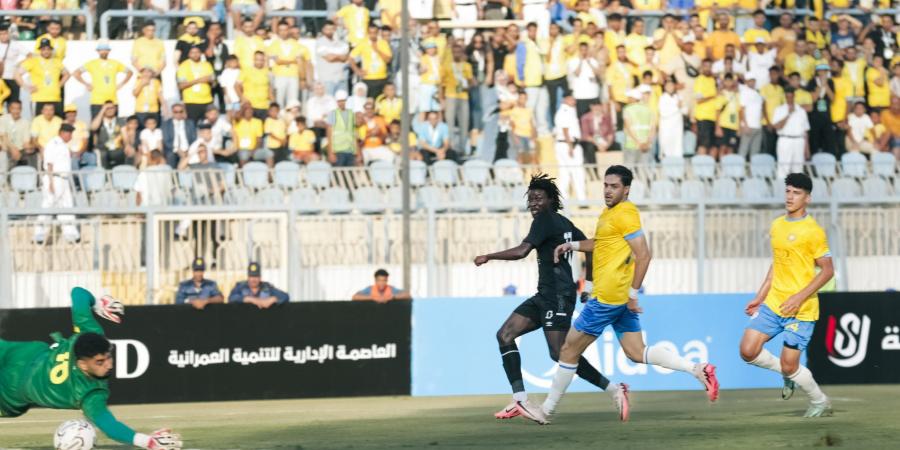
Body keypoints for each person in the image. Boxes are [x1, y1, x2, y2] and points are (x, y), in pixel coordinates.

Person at [525, 165, 720, 425]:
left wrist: (632, 293)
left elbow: (644, 254)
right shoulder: (610, 213)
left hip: (609, 298)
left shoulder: (626, 214)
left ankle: (546, 410)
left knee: (568, 350)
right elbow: (602, 242)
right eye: (605, 185)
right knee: (636, 352)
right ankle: (697, 370)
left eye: (614, 186)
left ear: (626, 189)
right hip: (616, 298)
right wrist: (571, 245)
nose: (607, 190)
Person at [473, 174, 619, 421]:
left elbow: (522, 251)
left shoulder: (545, 220)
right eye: (530, 199)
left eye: (539, 198)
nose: (534, 204)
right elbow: (591, 247)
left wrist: (488, 256)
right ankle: (521, 400)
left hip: (558, 297)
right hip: (545, 295)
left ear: (551, 200)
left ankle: (613, 389)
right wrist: (589, 284)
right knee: (505, 335)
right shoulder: (564, 223)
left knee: (560, 353)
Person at [0, 287, 182, 448]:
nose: (109, 365)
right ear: (82, 364)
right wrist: (147, 441)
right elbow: (110, 427)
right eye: (100, 362)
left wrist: (97, 304)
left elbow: (78, 293)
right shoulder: (89, 390)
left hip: (14, 374)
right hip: (14, 372)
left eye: (108, 356)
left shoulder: (90, 339)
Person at [740, 173, 834, 417]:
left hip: (801, 310)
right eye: (788, 191)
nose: (790, 197)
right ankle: (786, 373)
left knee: (790, 363)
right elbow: (777, 264)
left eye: (797, 193)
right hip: (774, 304)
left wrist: (798, 297)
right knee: (747, 351)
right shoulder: (777, 225)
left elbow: (827, 270)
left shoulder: (813, 231)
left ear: (808, 198)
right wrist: (760, 296)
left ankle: (819, 401)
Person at [33, 123, 79, 244]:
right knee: (48, 205)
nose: (70, 136)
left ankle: (71, 234)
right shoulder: (53, 144)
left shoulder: (64, 145)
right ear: (63, 132)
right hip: (54, 177)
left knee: (67, 206)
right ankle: (39, 234)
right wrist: (51, 182)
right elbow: (49, 163)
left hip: (64, 179)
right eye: (69, 133)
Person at [73, 40, 133, 119]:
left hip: (112, 100)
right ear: (98, 51)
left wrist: (122, 83)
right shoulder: (92, 63)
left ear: (109, 51)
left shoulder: (115, 63)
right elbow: (76, 73)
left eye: (106, 50)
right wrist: (86, 83)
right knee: (96, 126)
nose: (104, 52)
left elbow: (129, 72)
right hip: (97, 101)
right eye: (101, 50)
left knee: (113, 126)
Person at [16, 38, 69, 117]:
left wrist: (60, 85)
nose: (46, 51)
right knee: (37, 124)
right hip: (38, 98)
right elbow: (17, 74)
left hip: (55, 98)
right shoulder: (33, 61)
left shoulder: (56, 61)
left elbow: (67, 74)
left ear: (51, 50)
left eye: (48, 49)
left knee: (56, 125)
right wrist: (25, 86)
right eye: (43, 49)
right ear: (40, 50)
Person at [553, 92, 585, 205]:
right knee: (577, 171)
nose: (574, 101)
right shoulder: (565, 111)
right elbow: (565, 129)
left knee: (565, 173)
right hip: (569, 144)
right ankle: (582, 200)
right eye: (571, 99)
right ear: (565, 99)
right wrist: (570, 146)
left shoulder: (566, 110)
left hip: (563, 144)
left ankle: (562, 200)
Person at [772, 89, 810, 180]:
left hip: (799, 140)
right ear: (785, 97)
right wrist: (788, 114)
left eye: (791, 96)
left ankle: (796, 193)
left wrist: (807, 149)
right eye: (787, 97)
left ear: (794, 96)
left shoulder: (801, 111)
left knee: (798, 169)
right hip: (785, 140)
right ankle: (781, 191)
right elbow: (777, 126)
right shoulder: (779, 109)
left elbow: (805, 131)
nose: (789, 99)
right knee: (783, 168)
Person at [177, 46, 215, 123]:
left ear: (201, 53)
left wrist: (211, 80)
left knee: (207, 126)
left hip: (207, 101)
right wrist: (199, 80)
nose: (195, 54)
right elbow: (181, 85)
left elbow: (214, 82)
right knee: (192, 126)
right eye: (193, 52)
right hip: (191, 102)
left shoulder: (207, 65)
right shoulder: (183, 66)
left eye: (197, 52)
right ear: (189, 54)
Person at [236, 51, 274, 120]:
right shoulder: (246, 70)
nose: (259, 62)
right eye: (257, 60)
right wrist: (242, 98)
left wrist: (273, 103)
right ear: (254, 60)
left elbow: (270, 89)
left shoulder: (268, 72)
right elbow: (236, 86)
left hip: (264, 107)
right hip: (250, 106)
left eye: (261, 60)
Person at [327, 90, 358, 166]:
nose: (341, 103)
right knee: (338, 174)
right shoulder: (332, 113)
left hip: (350, 149)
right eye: (339, 101)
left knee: (350, 175)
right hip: (338, 150)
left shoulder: (351, 113)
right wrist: (330, 152)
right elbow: (329, 133)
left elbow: (354, 133)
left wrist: (357, 151)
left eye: (343, 101)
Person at [658, 78, 684, 159]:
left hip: (677, 128)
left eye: (672, 85)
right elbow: (663, 112)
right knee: (666, 148)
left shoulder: (678, 97)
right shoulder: (662, 98)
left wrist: (681, 106)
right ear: (665, 87)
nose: (670, 87)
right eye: (668, 85)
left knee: (677, 148)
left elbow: (685, 110)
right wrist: (677, 107)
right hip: (667, 128)